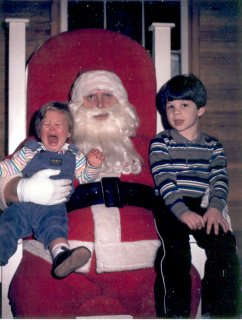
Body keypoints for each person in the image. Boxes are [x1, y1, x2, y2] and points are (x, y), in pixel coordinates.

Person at [149, 73, 241, 318]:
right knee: (175, 250)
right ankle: (175, 314)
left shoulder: (213, 145)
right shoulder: (161, 142)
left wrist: (214, 208)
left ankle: (220, 313)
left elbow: (219, 179)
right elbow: (164, 179)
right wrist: (182, 212)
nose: (176, 112)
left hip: (201, 205)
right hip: (169, 204)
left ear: (200, 110)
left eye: (184, 105)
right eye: (171, 107)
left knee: (224, 243)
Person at [0, 101, 104, 278]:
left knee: (56, 227)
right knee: (8, 224)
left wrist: (93, 166)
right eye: (46, 125)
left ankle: (62, 256)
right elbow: (10, 167)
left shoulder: (74, 155)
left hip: (53, 207)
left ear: (69, 132)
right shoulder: (30, 150)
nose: (52, 129)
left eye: (58, 125)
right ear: (39, 132)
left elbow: (85, 177)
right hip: (24, 204)